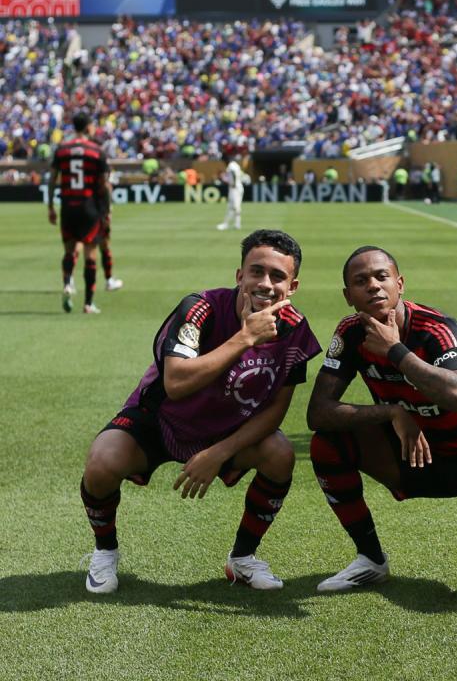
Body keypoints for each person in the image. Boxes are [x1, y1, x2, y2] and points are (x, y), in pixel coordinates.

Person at [80, 230, 321, 593]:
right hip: (161, 419)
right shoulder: (200, 308)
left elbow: (275, 411)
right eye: (256, 271)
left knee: (280, 454)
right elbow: (176, 382)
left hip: (225, 430)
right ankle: (104, 551)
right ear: (239, 275)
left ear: (293, 286)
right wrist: (246, 337)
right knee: (102, 461)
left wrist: (218, 453)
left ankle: (242, 559)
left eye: (278, 276)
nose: (265, 284)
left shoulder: (294, 330)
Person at [307, 246, 457, 594]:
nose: (373, 286)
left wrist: (395, 350)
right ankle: (371, 559)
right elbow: (318, 412)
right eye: (361, 281)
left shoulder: (438, 328)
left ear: (399, 284)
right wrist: (393, 412)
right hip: (412, 454)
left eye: (381, 276)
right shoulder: (350, 333)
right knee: (327, 444)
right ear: (348, 296)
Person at [47, 110, 108, 314]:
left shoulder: (62, 149)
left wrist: (50, 206)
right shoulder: (96, 151)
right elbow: (104, 184)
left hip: (68, 206)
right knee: (90, 255)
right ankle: (88, 303)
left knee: (69, 250)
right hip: (89, 207)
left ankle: (67, 283)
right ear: (89, 126)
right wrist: (106, 210)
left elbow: (52, 179)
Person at [217, 154, 245, 231]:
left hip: (235, 188)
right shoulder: (235, 165)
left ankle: (229, 224)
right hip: (236, 187)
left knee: (234, 206)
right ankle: (236, 224)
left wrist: (234, 183)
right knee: (233, 207)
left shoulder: (231, 166)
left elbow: (234, 174)